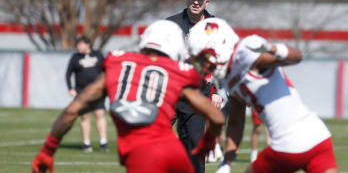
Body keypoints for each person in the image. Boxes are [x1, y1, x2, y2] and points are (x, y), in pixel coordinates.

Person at [32, 20, 225, 173]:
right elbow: (217, 117)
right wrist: (207, 144)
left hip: (143, 155)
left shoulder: (118, 65)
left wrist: (48, 149)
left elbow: (73, 110)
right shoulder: (179, 71)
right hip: (176, 154)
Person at [187, 18, 338, 173]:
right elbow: (236, 121)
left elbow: (296, 57)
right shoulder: (228, 76)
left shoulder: (244, 52)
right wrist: (227, 162)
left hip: (288, 145)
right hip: (318, 136)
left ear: (220, 45)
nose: (204, 65)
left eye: (204, 58)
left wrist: (273, 48)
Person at [166, 0, 223, 173]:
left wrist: (217, 91)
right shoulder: (170, 24)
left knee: (195, 146)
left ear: (207, 2)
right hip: (171, 92)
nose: (196, 2)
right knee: (154, 139)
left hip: (199, 93)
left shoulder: (216, 27)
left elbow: (221, 60)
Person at [65, 36, 108, 152]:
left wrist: (105, 84)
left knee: (99, 114)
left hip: (97, 90)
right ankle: (86, 144)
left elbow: (106, 70)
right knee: (85, 116)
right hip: (81, 91)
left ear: (88, 45)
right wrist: (70, 88)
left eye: (80, 44)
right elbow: (68, 73)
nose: (78, 46)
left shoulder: (98, 55)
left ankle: (103, 143)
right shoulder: (75, 57)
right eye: (78, 44)